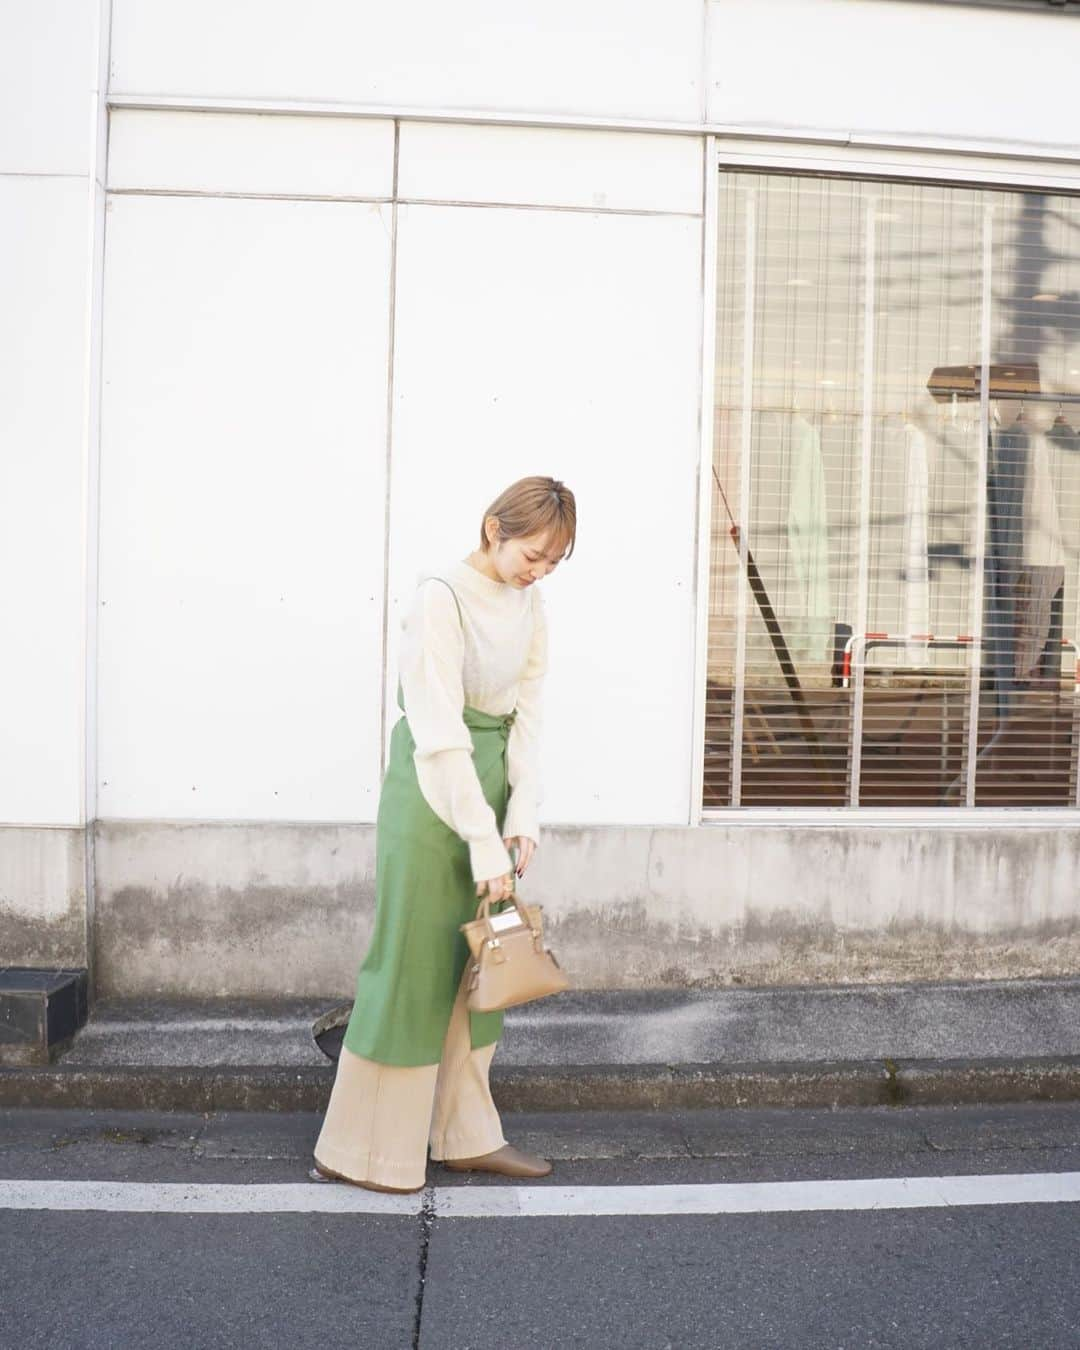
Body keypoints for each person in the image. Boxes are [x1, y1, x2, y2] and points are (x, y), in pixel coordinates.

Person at [312, 475, 576, 1193]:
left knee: (479, 968)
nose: (540, 571)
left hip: (489, 793)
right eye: (534, 554)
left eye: (554, 562)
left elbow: (529, 713)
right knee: (410, 967)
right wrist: (482, 840)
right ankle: (362, 1151)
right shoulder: (441, 595)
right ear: (495, 528)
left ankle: (467, 1136)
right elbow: (437, 733)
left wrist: (521, 816)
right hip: (435, 797)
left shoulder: (531, 604)